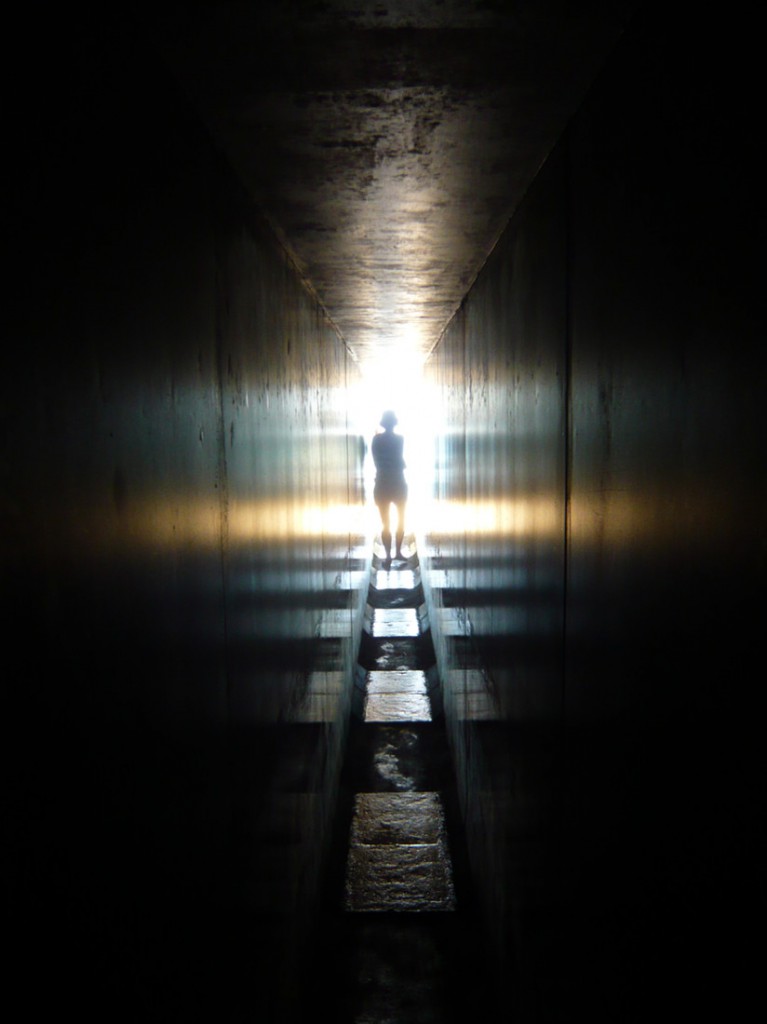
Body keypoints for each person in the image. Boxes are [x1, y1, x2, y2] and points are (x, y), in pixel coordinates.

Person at [371, 410, 408, 566]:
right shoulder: (400, 439)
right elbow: (400, 460)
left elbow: (377, 460)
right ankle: (398, 552)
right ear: (395, 423)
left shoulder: (376, 440)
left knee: (385, 522)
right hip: (398, 482)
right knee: (401, 519)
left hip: (382, 483)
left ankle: (387, 556)